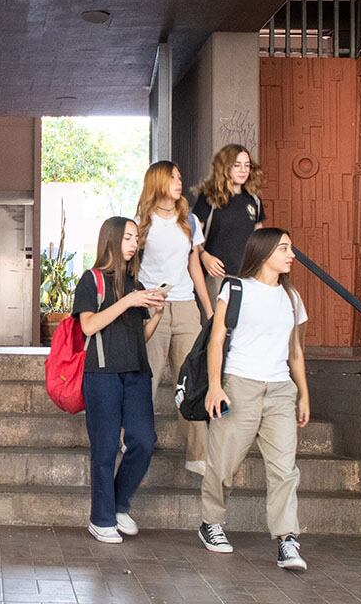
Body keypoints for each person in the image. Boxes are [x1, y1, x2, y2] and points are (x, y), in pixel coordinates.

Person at [197, 227, 310, 572]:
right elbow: (216, 341)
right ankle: (210, 522)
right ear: (263, 253)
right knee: (224, 462)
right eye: (284, 249)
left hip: (279, 390)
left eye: (290, 249)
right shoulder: (235, 289)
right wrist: (215, 386)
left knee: (284, 469)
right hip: (240, 385)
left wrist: (303, 393)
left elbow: (295, 351)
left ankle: (286, 538)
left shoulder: (292, 299)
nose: (291, 255)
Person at [72, 216, 167, 543]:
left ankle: (119, 503)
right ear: (111, 239)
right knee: (106, 445)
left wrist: (156, 314)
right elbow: (87, 326)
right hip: (102, 373)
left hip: (136, 372)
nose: (133, 243)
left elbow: (141, 335)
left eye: (136, 237)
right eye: (128, 237)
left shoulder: (136, 285)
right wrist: (127, 301)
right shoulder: (92, 280)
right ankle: (101, 519)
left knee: (143, 439)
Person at [133, 161, 213, 476]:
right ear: (157, 182)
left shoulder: (189, 221)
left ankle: (198, 454)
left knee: (190, 381)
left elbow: (194, 265)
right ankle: (135, 438)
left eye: (180, 176)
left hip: (185, 305)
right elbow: (132, 266)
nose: (179, 181)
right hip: (153, 306)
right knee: (147, 378)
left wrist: (206, 307)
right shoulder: (141, 222)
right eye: (173, 177)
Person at [192, 144, 265, 306]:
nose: (243, 170)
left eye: (247, 165)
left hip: (248, 276)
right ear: (225, 167)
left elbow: (259, 240)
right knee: (216, 327)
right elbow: (192, 236)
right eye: (237, 165)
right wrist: (204, 256)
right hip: (217, 276)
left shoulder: (254, 200)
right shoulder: (209, 198)